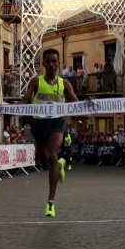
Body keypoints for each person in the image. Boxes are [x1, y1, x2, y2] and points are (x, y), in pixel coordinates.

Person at [18, 48, 78, 217]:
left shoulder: (64, 84)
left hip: (56, 124)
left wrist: (90, 103)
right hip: (38, 124)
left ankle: (50, 202)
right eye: (48, 61)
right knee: (46, 164)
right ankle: (60, 165)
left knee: (52, 154)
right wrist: (6, 107)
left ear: (58, 64)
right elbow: (24, 101)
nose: (51, 64)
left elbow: (76, 103)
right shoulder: (36, 81)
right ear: (43, 64)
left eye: (54, 61)